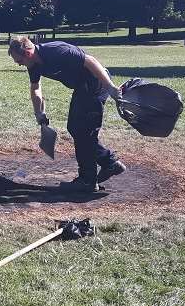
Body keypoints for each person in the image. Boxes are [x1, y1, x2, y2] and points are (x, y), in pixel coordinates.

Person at [8, 36, 127, 191]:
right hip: (82, 87)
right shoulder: (34, 64)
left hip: (95, 83)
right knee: (76, 128)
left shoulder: (57, 51)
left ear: (28, 54)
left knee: (83, 130)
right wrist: (40, 113)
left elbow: (90, 60)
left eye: (20, 61)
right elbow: (36, 88)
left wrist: (110, 87)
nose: (19, 64)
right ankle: (109, 163)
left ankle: (88, 180)